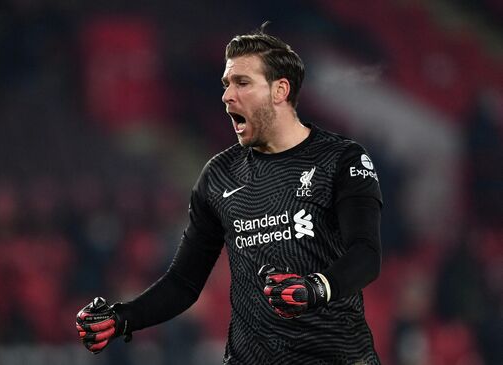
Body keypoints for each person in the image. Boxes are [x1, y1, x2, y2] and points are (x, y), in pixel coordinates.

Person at [76, 22, 383, 364]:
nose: (227, 97)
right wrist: (122, 318)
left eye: (242, 83)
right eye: (226, 85)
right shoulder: (218, 176)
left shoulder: (341, 160)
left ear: (280, 91)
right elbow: (183, 283)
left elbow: (366, 255)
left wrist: (316, 288)